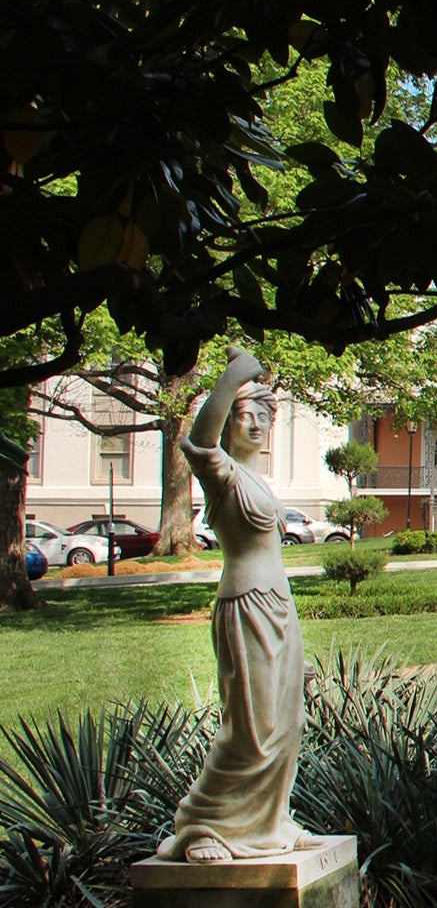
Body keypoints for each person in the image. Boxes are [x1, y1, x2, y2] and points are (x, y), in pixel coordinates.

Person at [158, 347, 323, 862]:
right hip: (245, 606)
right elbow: (197, 441)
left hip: (278, 606)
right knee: (251, 731)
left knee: (287, 722)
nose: (256, 425)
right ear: (231, 421)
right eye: (247, 416)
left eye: (264, 418)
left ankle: (270, 823)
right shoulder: (222, 469)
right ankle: (205, 825)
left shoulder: (259, 481)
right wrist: (235, 376)